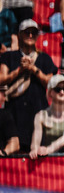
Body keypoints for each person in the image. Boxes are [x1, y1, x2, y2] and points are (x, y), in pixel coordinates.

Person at [0, 20, 56, 152]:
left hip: (37, 113)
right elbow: (1, 79)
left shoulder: (44, 58)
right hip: (14, 114)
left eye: (34, 32)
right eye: (27, 32)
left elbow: (51, 83)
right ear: (19, 34)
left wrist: (33, 69)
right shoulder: (9, 56)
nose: (30, 35)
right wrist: (19, 71)